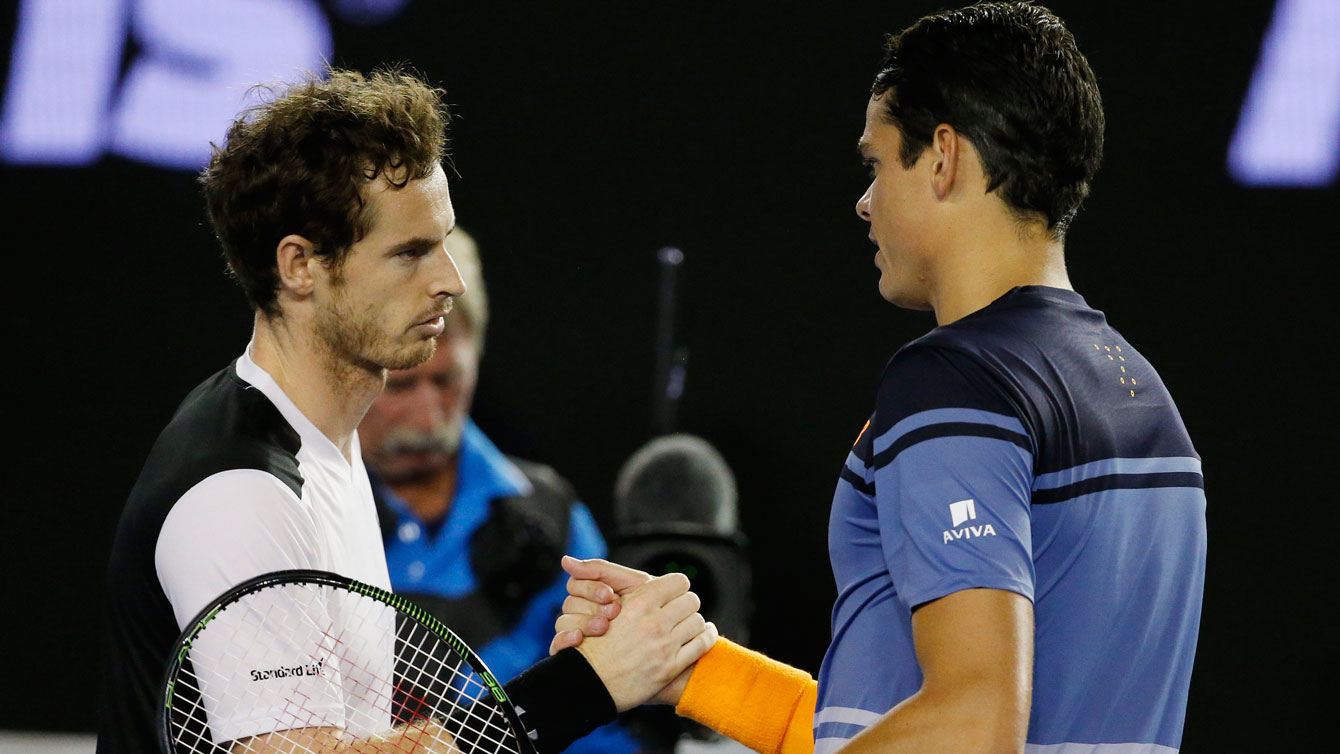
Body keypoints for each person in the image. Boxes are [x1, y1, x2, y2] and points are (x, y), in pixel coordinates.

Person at [554, 4, 1206, 754]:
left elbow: (971, 726)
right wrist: (694, 670)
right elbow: (888, 729)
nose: (865, 202)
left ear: (942, 158)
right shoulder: (1143, 395)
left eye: (876, 163)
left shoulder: (956, 380)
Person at [98, 68, 717, 754]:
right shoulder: (242, 496)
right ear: (300, 266)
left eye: (444, 242)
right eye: (410, 253)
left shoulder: (321, 445)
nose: (448, 280)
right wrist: (585, 686)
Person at [357, 227, 639, 754]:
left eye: (445, 380)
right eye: (400, 385)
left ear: (476, 354)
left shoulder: (551, 516)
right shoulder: (300, 509)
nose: (427, 417)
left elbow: (607, 721)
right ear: (351, 368)